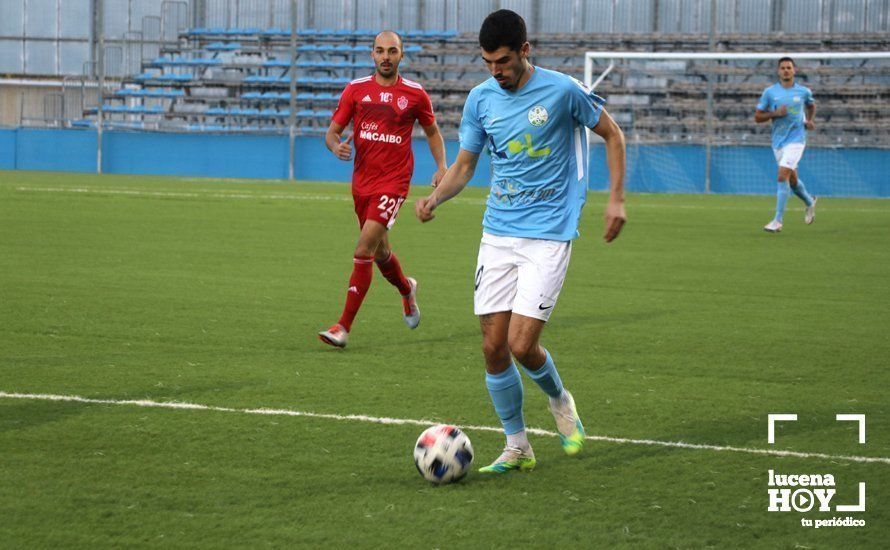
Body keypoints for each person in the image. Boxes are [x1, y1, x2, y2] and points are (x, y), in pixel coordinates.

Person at [414, 10, 626, 473]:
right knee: (492, 347)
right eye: (488, 62)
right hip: (498, 234)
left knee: (522, 344)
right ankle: (518, 446)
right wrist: (435, 198)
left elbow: (612, 134)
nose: (496, 70)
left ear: (525, 51)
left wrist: (616, 199)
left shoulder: (563, 91)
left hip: (549, 235)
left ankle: (560, 399)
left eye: (504, 61)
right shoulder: (481, 99)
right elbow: (466, 166)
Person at [318, 31, 448, 348]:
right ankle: (407, 289)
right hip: (362, 183)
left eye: (392, 51)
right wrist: (336, 148)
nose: (386, 56)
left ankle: (342, 327)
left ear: (401, 55)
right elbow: (332, 133)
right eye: (380, 51)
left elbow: (432, 131)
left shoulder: (415, 94)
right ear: (372, 55)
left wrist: (442, 166)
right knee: (380, 253)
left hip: (394, 181)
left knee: (363, 250)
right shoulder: (356, 91)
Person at [755, 57, 817, 233]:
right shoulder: (769, 92)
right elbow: (757, 117)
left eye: (789, 67)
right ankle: (809, 201)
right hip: (778, 142)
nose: (786, 70)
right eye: (782, 68)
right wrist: (775, 113)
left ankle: (777, 220)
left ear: (794, 70)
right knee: (792, 179)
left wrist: (810, 120)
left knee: (782, 176)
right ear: (778, 71)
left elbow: (811, 106)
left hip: (797, 140)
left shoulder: (803, 91)